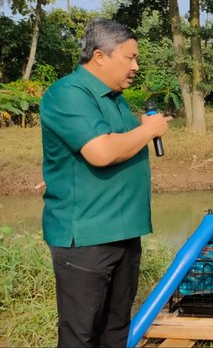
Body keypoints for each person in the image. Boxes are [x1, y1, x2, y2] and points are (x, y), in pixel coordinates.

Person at [40, 18, 171, 347]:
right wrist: (149, 130)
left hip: (124, 234)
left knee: (115, 332)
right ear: (100, 56)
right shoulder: (68, 93)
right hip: (87, 238)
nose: (136, 66)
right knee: (81, 335)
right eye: (130, 58)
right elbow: (100, 152)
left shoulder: (114, 97)